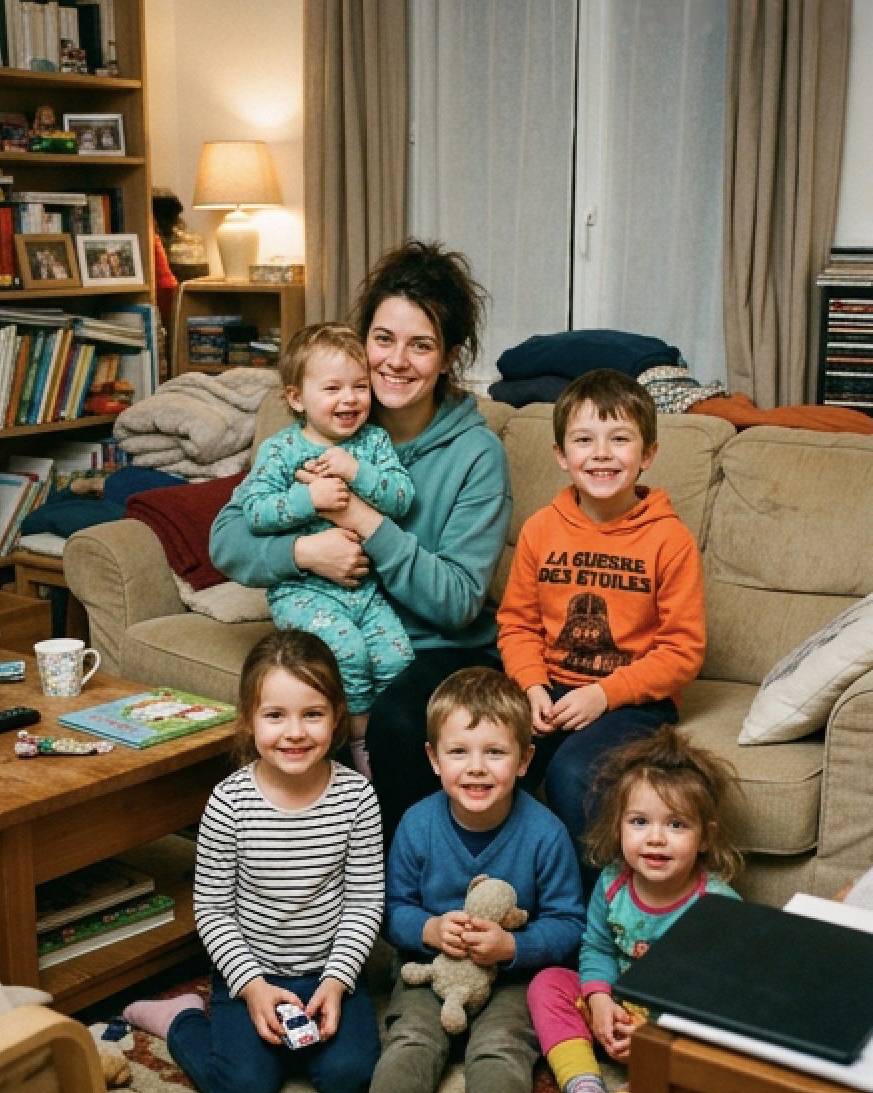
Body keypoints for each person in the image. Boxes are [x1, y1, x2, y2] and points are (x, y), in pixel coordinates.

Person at [210, 239, 513, 839]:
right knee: (282, 707)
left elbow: (457, 601)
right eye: (383, 339)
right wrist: (304, 553)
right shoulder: (325, 420)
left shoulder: (478, 455)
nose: (396, 361)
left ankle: (396, 882)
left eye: (420, 345)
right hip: (334, 621)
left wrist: (362, 519)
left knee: (395, 723)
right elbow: (227, 537)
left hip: (436, 647)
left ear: (449, 357)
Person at [121, 629, 384, 1093]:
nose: (295, 732)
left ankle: (296, 1041)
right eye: (275, 715)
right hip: (250, 973)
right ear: (248, 720)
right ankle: (181, 1018)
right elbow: (212, 911)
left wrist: (336, 981)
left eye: (312, 714)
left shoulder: (358, 798)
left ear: (337, 717)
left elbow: (365, 903)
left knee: (351, 1076)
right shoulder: (229, 803)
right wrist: (252, 986)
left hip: (328, 972)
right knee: (242, 1089)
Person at [347, 667, 585, 1093]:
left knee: (502, 1045)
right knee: (411, 1035)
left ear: (524, 760)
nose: (476, 768)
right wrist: (430, 929)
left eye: (495, 752)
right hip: (430, 968)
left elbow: (569, 923)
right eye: (459, 752)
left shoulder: (546, 833)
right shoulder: (416, 824)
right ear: (434, 759)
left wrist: (512, 946)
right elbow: (391, 908)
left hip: (513, 976)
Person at [496, 368, 706, 874]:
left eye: (620, 439)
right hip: (550, 691)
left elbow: (682, 651)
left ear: (648, 454)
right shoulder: (540, 529)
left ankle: (596, 905)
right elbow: (518, 624)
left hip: (634, 702)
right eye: (584, 439)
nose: (602, 454)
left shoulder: (669, 539)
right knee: (494, 758)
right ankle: (498, 891)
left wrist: (603, 695)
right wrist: (531, 685)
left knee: (575, 772)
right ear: (561, 455)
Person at [522, 724, 741, 1093]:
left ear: (705, 837)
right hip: (613, 1010)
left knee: (693, 1070)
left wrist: (650, 1034)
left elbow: (719, 997)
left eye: (676, 824)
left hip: (670, 1029)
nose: (655, 838)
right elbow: (597, 948)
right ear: (619, 827)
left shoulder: (717, 905)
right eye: (640, 822)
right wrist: (599, 999)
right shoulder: (612, 884)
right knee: (548, 983)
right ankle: (585, 1090)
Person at [227, 321, 415, 777]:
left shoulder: (373, 442)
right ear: (297, 398)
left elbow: (401, 498)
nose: (349, 399)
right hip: (302, 591)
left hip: (364, 590)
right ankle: (358, 748)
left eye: (359, 387)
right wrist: (307, 500)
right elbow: (254, 511)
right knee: (347, 653)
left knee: (398, 659)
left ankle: (391, 747)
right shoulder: (281, 450)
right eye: (332, 388)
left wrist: (355, 472)